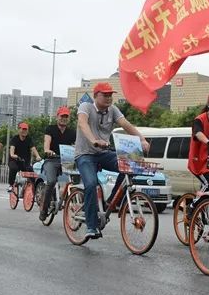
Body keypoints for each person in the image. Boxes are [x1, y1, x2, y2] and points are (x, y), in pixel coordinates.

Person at [76, 82, 150, 240]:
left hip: (103, 153)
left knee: (130, 166)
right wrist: (94, 140)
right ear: (96, 96)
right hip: (85, 154)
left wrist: (142, 139)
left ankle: (112, 202)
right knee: (90, 184)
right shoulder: (86, 107)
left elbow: (126, 124)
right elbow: (82, 123)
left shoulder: (113, 110)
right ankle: (91, 226)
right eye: (105, 94)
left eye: (111, 94)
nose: (109, 98)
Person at [40, 106, 76, 221]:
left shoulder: (72, 132)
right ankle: (44, 210)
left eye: (66, 116)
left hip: (66, 161)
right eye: (62, 116)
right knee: (51, 181)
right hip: (52, 160)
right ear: (57, 117)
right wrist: (47, 150)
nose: (64, 119)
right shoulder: (50, 129)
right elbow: (47, 142)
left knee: (76, 181)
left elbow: (76, 146)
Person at [7, 122, 40, 192]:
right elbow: (12, 149)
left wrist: (37, 156)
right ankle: (11, 185)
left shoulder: (29, 139)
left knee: (31, 172)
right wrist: (12, 155)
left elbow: (33, 148)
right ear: (19, 130)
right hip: (14, 160)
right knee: (13, 168)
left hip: (24, 162)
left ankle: (33, 189)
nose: (24, 131)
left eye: (26, 129)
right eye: (23, 129)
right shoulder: (14, 139)